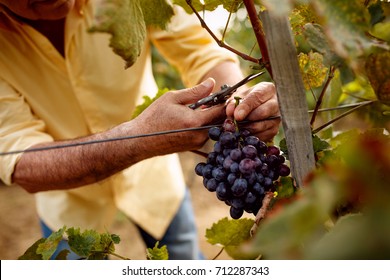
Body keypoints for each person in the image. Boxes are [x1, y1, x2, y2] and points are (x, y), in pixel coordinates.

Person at [0, 0, 280, 259]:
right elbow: (20, 159)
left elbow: (201, 52)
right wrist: (142, 137)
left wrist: (238, 101)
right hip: (68, 203)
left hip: (155, 186)